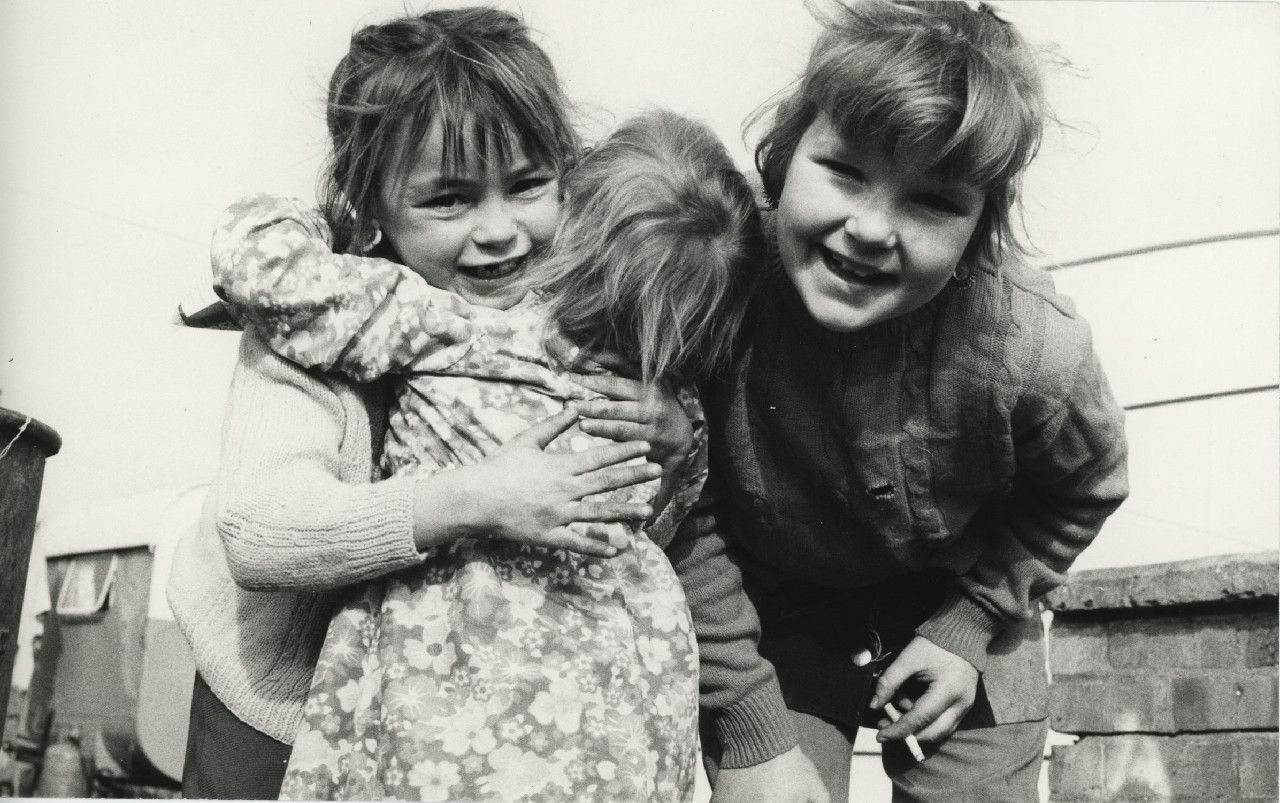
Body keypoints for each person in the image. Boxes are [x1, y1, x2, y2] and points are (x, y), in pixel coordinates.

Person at [163, 9, 775, 800]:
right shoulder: (335, 313)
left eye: (526, 186)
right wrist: (475, 498)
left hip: (496, 709)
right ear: (372, 205)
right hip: (281, 688)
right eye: (448, 200)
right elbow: (261, 533)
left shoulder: (577, 320)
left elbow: (614, 525)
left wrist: (670, 441)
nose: (499, 232)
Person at [691, 2, 1130, 801]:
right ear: (785, 156)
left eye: (931, 203)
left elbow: (1083, 486)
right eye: (846, 171)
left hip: (959, 585)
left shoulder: (1033, 346)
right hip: (772, 602)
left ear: (981, 229)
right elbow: (678, 509)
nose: (870, 228)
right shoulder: (707, 287)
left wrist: (971, 625)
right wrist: (751, 726)